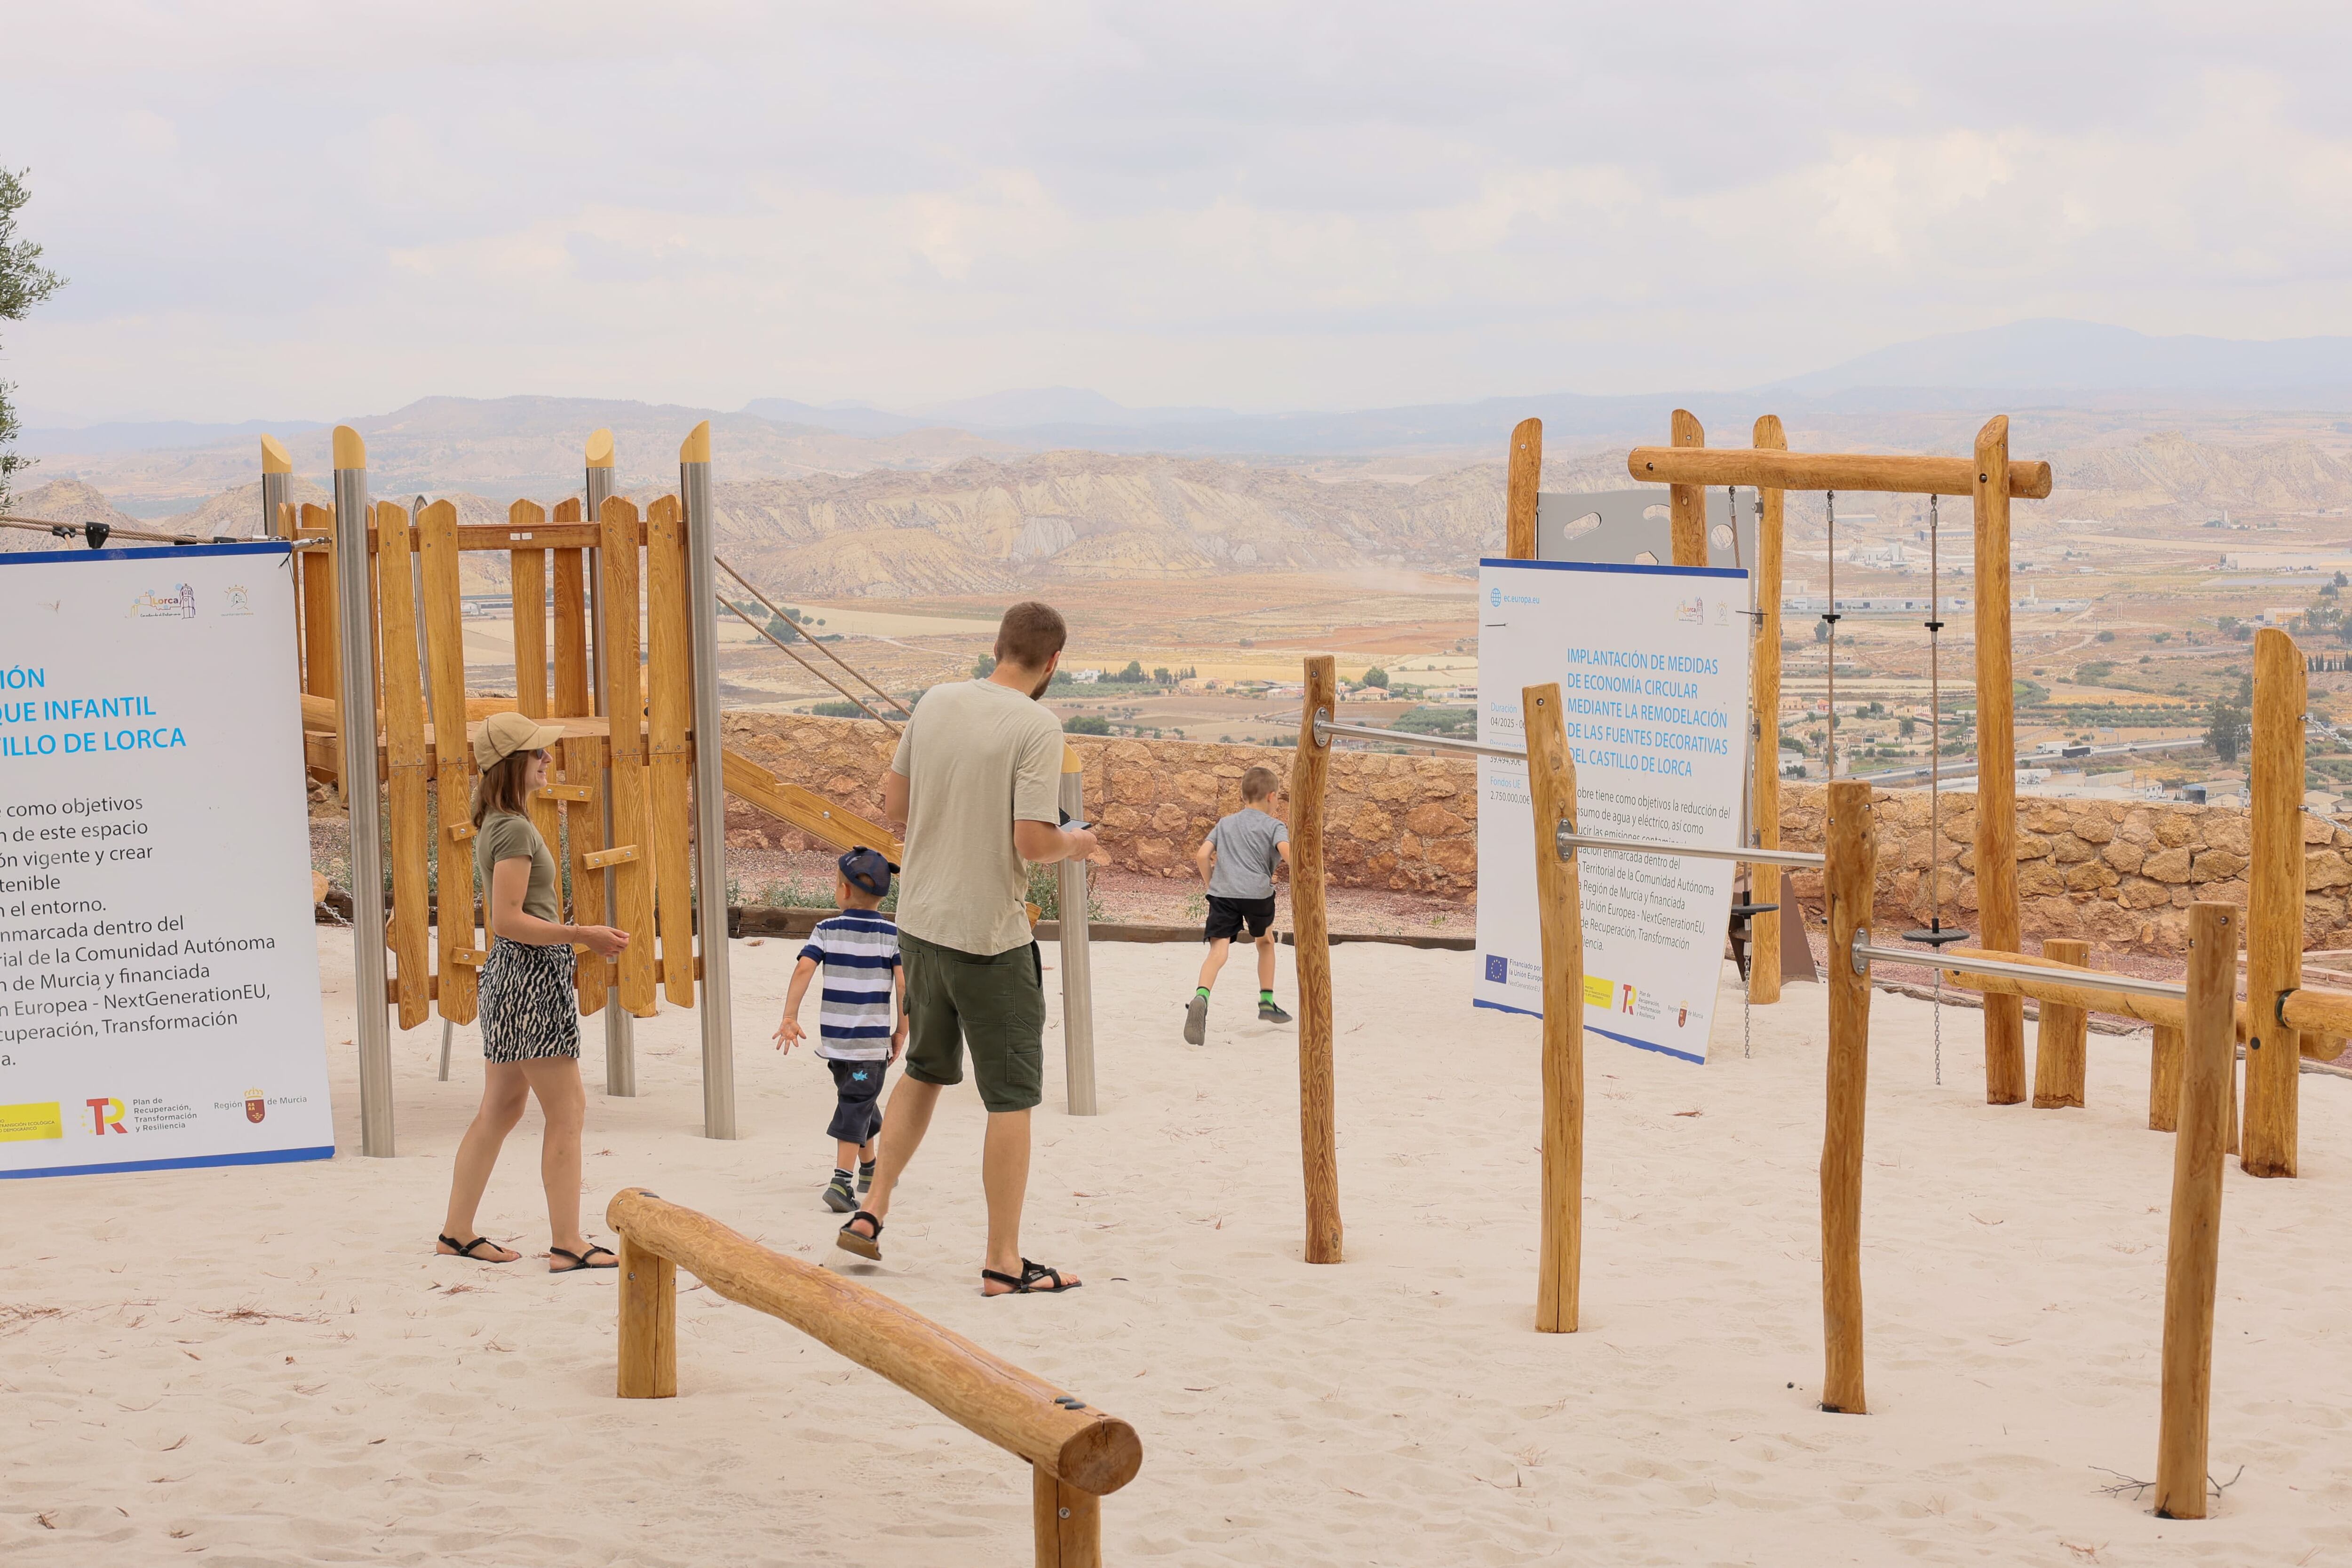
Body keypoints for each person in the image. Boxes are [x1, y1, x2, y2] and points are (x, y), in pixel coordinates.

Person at [836, 601, 1099, 1296]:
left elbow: (895, 807)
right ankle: (1003, 1261)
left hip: (920, 921)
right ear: (1052, 663)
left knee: (924, 1068)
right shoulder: (1037, 726)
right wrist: (1080, 843)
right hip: (989, 935)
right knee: (1010, 1097)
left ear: (998, 646)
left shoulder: (937, 702)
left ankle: (872, 1208)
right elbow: (1034, 843)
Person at [435, 711, 631, 1274]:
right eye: (538, 753)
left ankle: (457, 1232)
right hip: (529, 973)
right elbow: (506, 919)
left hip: (508, 975)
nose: (548, 760)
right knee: (567, 1109)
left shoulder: (498, 821)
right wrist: (582, 934)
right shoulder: (514, 829)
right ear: (513, 764)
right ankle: (568, 1241)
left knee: (499, 1108)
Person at [773, 847, 906, 1214]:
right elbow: (903, 984)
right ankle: (841, 1182)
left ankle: (869, 1169)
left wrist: (790, 1014)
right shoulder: (892, 934)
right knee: (856, 1102)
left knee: (858, 1100)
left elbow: (804, 969)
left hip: (836, 1043)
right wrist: (902, 1029)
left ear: (844, 891)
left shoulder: (826, 929)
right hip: (869, 1045)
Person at [1183, 765, 1294, 1044]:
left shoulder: (1225, 823)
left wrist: (1212, 884)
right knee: (1265, 942)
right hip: (1258, 896)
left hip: (1224, 895)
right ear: (1271, 797)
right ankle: (1267, 1001)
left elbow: (1202, 855)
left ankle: (1201, 996)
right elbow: (1289, 855)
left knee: (1218, 952)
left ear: (1244, 796)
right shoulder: (1275, 826)